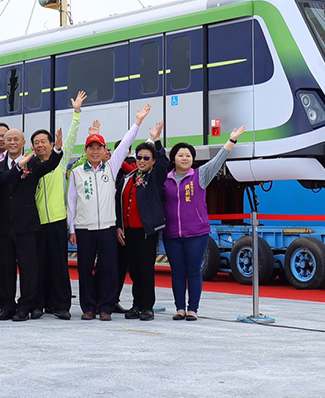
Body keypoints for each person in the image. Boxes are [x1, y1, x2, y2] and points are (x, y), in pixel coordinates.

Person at [67, 104, 150, 321]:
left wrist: (138, 121)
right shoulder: (76, 173)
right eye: (91, 148)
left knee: (109, 270)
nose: (95, 152)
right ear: (85, 151)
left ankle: (106, 307)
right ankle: (88, 308)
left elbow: (125, 144)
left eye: (99, 148)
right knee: (85, 270)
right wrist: (72, 228)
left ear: (105, 151)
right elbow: (72, 202)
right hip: (85, 229)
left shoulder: (110, 168)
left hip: (106, 228)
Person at [163, 126, 246, 321]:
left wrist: (231, 140)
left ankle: (193, 309)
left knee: (193, 271)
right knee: (177, 272)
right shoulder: (164, 181)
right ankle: (179, 309)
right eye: (181, 155)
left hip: (196, 234)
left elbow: (218, 160)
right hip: (171, 235)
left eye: (188, 156)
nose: (185, 158)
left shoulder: (200, 175)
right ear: (173, 159)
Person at [0, 127, 63, 321]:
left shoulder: (33, 163)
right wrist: (17, 168)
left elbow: (50, 165)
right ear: (4, 144)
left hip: (27, 225)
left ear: (24, 144)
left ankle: (25, 306)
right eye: (9, 139)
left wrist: (56, 149)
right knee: (4, 269)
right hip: (3, 226)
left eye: (17, 139)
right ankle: (7, 305)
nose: (12, 142)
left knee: (28, 268)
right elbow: (1, 182)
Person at [31, 91, 87, 320]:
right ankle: (39, 304)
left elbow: (72, 139)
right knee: (38, 266)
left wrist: (76, 113)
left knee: (58, 266)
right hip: (35, 224)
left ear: (52, 144)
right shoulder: (30, 165)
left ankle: (61, 305)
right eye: (36, 143)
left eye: (43, 141)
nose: (39, 145)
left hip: (55, 220)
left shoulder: (60, 161)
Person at [115, 122, 168, 321]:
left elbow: (163, 164)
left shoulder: (155, 177)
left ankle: (147, 307)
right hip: (129, 231)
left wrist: (157, 141)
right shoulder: (128, 177)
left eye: (147, 158)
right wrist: (119, 225)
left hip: (146, 231)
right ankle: (136, 305)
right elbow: (118, 201)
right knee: (135, 271)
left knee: (146, 270)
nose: (142, 160)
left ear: (153, 161)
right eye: (139, 157)